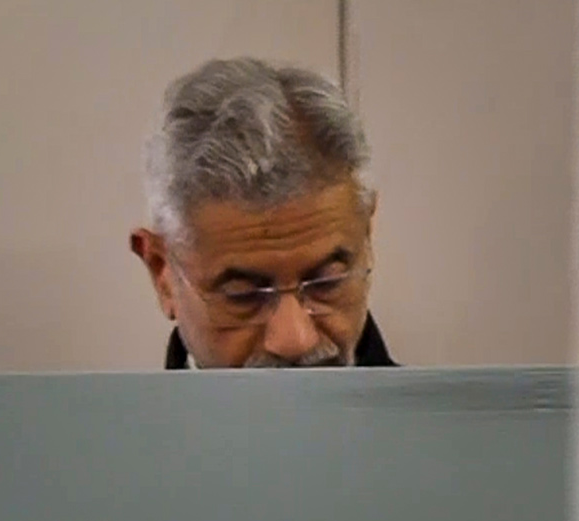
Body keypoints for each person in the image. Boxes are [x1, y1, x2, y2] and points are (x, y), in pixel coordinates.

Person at [130, 58, 396, 369]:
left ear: (367, 239)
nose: (296, 340)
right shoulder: (101, 421)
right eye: (243, 296)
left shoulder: (444, 419)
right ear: (162, 273)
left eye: (327, 282)